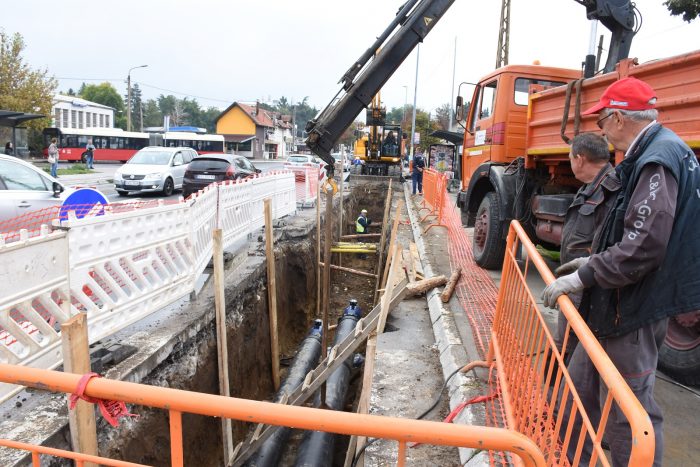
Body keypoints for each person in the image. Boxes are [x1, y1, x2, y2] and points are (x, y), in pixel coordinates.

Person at [542, 77, 700, 466]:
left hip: (633, 308)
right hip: (617, 303)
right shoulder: (659, 152)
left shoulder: (657, 159)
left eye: (602, 122)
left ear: (617, 117)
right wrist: (596, 263)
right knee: (577, 393)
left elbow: (645, 244)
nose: (601, 130)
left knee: (630, 413)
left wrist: (585, 275)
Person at [554, 132, 621, 360]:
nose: (570, 162)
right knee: (565, 345)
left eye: (570, 157)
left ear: (580, 158)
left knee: (568, 349)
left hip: (586, 288)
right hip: (578, 283)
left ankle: (558, 394)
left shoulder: (611, 190)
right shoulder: (591, 187)